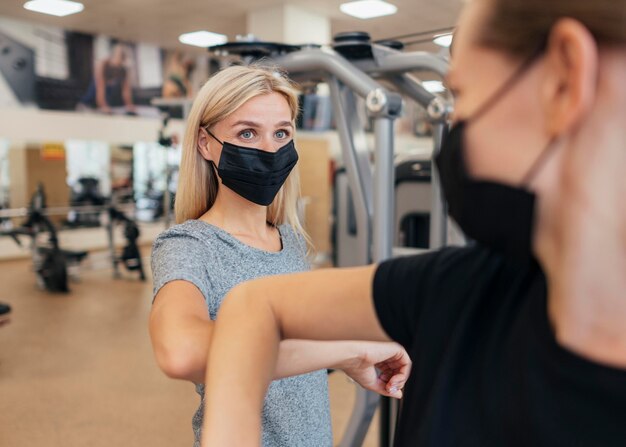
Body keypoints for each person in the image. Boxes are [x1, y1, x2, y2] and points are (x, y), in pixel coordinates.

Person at [198, 0, 626, 445]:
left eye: (462, 93)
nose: (452, 123)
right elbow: (253, 308)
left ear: (563, 81)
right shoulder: (461, 289)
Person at [149, 65, 411, 447]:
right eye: (247, 133)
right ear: (205, 143)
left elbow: (301, 342)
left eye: (282, 133)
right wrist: (347, 352)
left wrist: (353, 352)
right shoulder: (190, 245)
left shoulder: (288, 238)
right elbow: (180, 351)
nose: (270, 150)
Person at [77, 42, 136, 114]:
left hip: (109, 87)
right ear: (114, 55)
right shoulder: (103, 64)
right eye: (120, 57)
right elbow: (100, 87)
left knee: (110, 90)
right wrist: (103, 106)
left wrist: (129, 105)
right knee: (94, 89)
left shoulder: (124, 69)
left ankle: (101, 106)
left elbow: (126, 90)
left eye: (123, 58)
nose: (121, 62)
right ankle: (84, 104)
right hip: (99, 86)